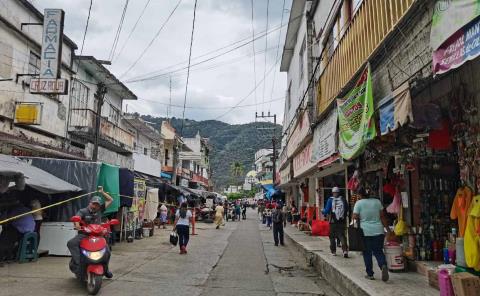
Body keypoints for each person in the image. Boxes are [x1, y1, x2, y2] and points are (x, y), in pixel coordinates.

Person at [67, 187, 113, 278]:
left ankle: (106, 269)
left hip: (98, 236)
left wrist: (102, 192)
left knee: (107, 251)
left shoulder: (100, 210)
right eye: (93, 204)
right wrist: (77, 225)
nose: (95, 206)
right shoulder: (83, 211)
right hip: (84, 235)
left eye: (97, 205)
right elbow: (77, 217)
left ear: (99, 206)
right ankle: (78, 263)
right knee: (71, 243)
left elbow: (110, 199)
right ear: (90, 203)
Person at [352, 187, 390, 282]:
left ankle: (370, 274)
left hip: (365, 232)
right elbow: (382, 217)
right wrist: (388, 230)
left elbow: (355, 217)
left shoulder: (359, 203)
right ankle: (383, 265)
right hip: (378, 230)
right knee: (378, 251)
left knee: (367, 253)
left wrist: (355, 228)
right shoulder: (377, 202)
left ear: (360, 195)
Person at [322, 187, 349, 258]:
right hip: (342, 221)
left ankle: (333, 251)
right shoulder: (343, 199)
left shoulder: (330, 200)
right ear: (339, 192)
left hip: (333, 221)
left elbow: (326, 211)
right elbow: (347, 209)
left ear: (333, 192)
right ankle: (345, 250)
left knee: (332, 236)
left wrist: (323, 211)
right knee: (342, 235)